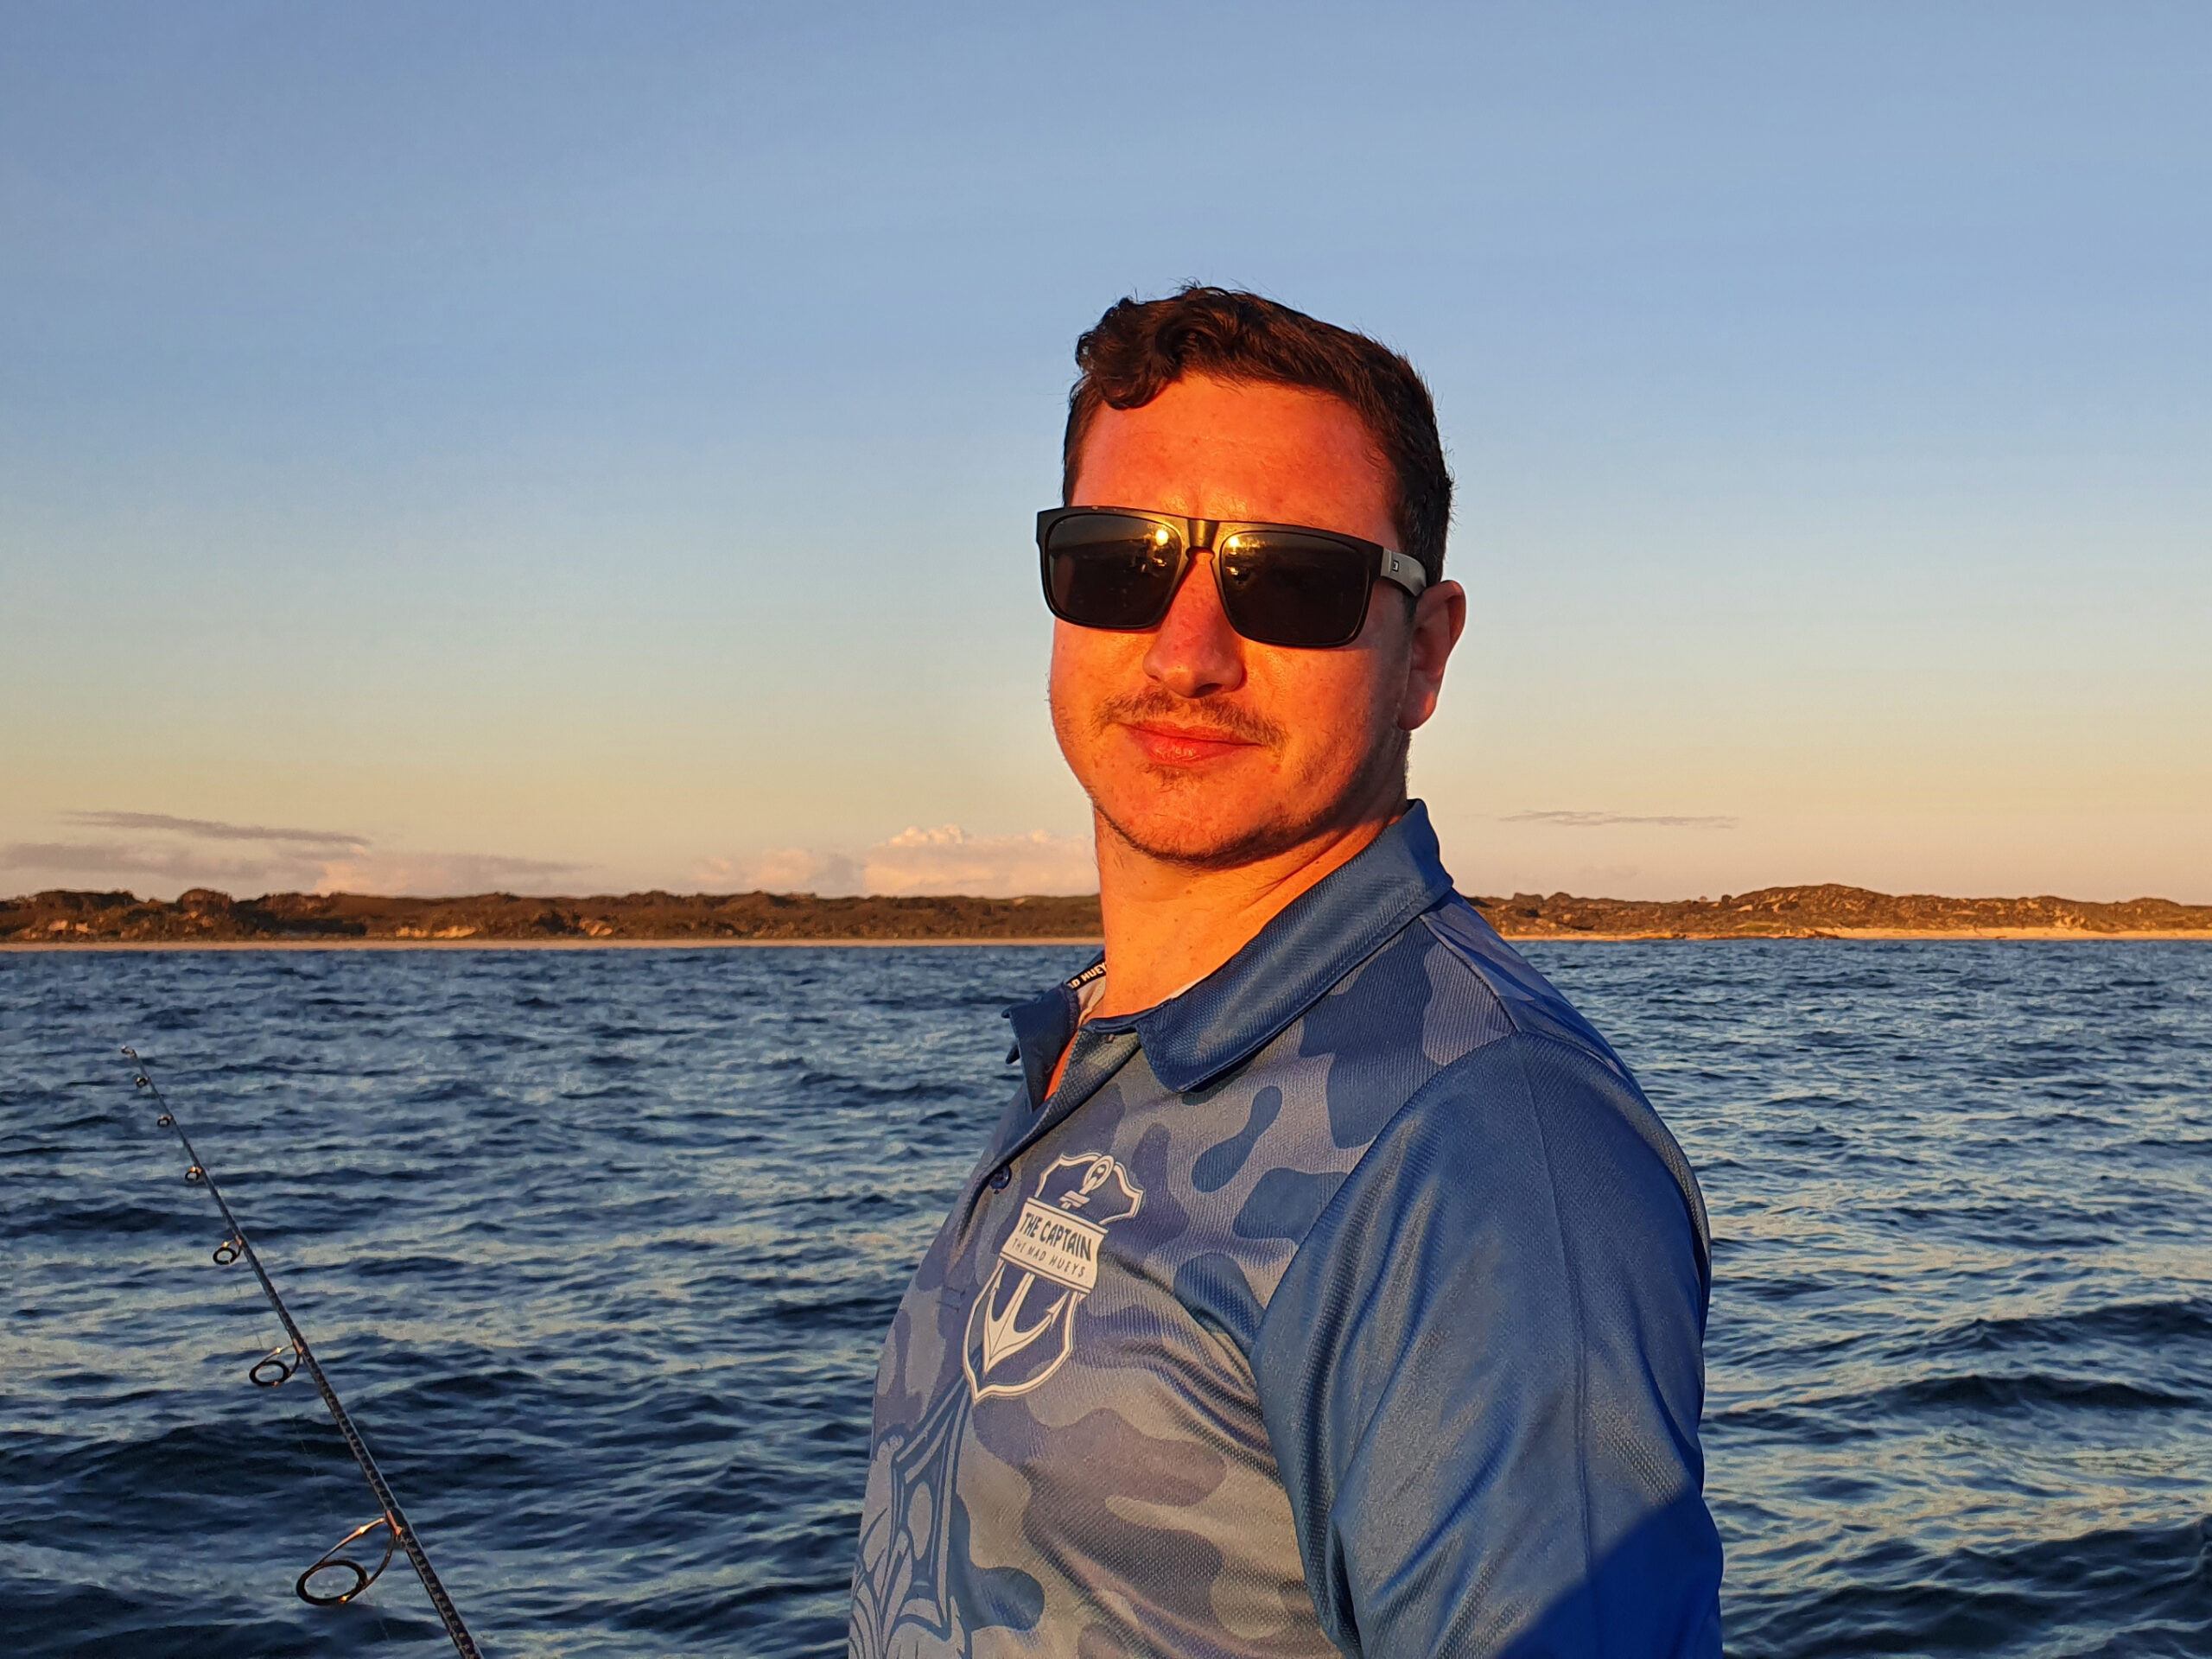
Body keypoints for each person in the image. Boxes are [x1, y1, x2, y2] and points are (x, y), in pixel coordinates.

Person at [847, 287, 1721, 1658]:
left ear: (1423, 653)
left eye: (1292, 582)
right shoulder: (1106, 1048)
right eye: (1121, 563)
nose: (1187, 653)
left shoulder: (1483, 1150)